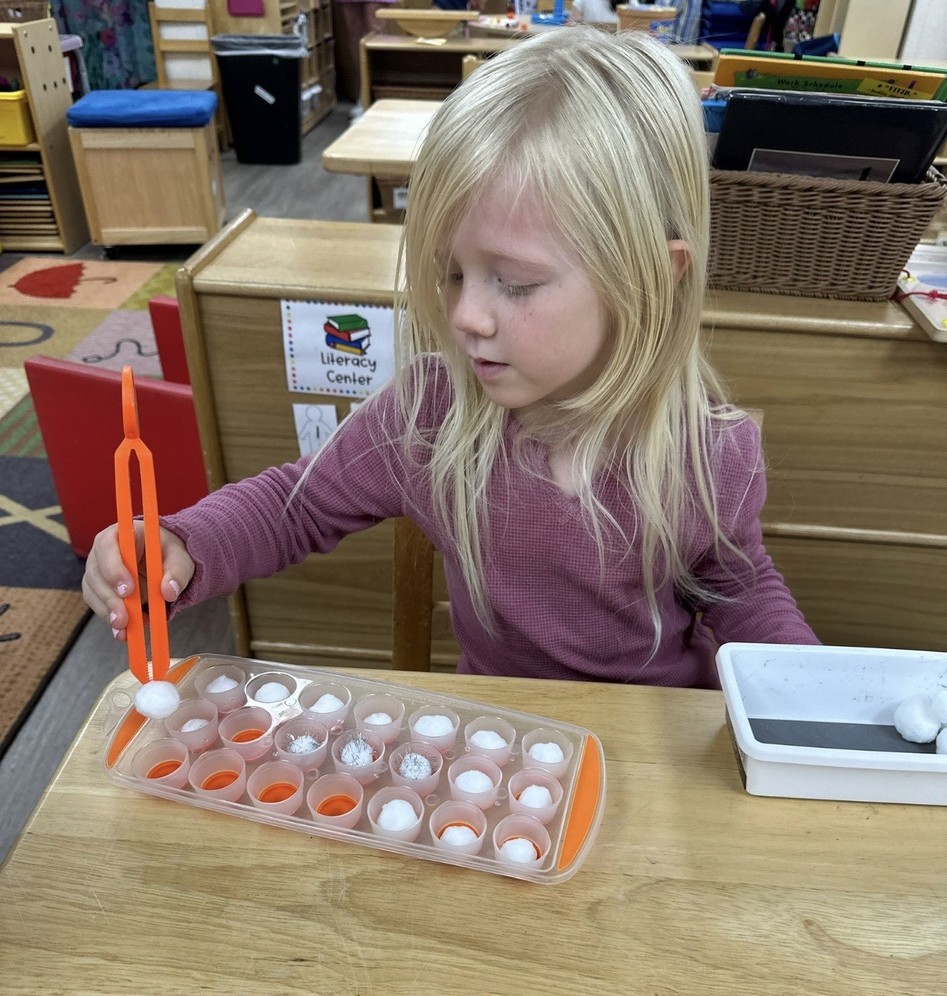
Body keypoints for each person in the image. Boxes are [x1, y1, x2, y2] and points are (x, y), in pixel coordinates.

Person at [82, 28, 818, 688]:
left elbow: (740, 589)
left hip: (656, 753)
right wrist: (182, 539)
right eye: (452, 271)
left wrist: (814, 688)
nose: (464, 316)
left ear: (654, 277)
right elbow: (290, 507)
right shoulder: (431, 412)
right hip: (498, 744)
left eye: (514, 282)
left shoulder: (710, 450)